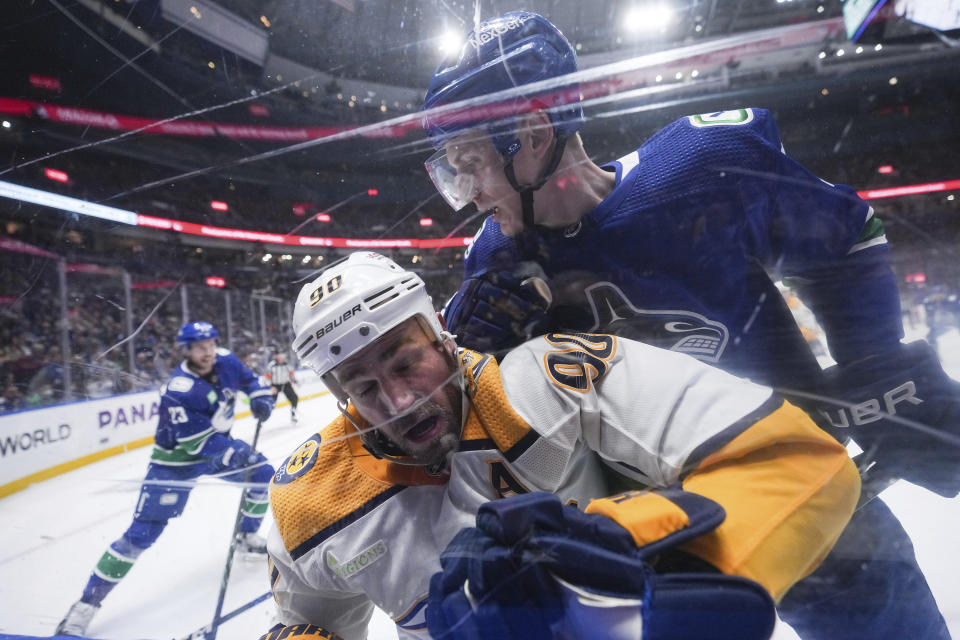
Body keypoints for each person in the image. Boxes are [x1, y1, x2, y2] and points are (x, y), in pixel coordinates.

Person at [421, 11, 959, 639]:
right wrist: (480, 357)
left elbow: (845, 238)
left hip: (794, 480)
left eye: (471, 164)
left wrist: (872, 375)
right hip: (656, 524)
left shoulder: (701, 167)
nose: (469, 194)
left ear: (533, 133)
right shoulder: (495, 257)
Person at [260, 251, 859, 640]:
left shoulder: (545, 379)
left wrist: (640, 562)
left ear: (441, 336)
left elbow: (797, 458)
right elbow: (305, 625)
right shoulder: (309, 501)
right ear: (341, 398)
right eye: (364, 387)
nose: (397, 401)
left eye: (404, 361)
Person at [55, 321, 276, 637]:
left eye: (211, 343)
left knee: (263, 476)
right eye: (200, 347)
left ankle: (246, 536)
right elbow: (197, 444)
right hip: (174, 465)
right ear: (185, 350)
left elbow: (249, 379)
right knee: (141, 534)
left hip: (219, 448)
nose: (208, 351)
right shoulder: (179, 389)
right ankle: (84, 607)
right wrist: (235, 454)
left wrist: (259, 396)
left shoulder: (225, 359)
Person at [266, 349, 300, 423]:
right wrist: (271, 386)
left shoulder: (287, 364)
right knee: (271, 403)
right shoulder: (271, 365)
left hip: (285, 384)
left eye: (283, 356)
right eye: (280, 356)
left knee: (295, 398)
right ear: (276, 357)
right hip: (275, 386)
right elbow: (267, 377)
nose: (282, 358)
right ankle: (263, 417)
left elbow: (291, 374)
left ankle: (293, 412)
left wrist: (294, 381)